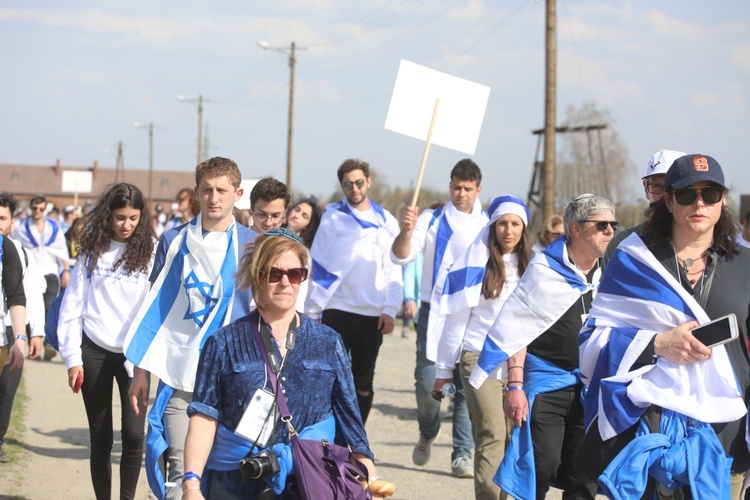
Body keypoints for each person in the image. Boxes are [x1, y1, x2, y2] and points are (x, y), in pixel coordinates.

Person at [577, 154, 750, 498]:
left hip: (723, 438)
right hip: (645, 434)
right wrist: (657, 344)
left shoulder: (745, 265)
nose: (699, 203)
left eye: (710, 194)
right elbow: (591, 341)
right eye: (687, 194)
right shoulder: (631, 259)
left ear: (723, 202)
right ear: (668, 200)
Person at [182, 230, 391, 498]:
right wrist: (191, 484)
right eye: (274, 273)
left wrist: (370, 475)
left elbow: (348, 414)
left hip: (309, 480)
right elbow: (204, 415)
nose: (285, 282)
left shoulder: (327, 342)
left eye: (294, 274)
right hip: (235, 481)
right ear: (257, 275)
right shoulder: (223, 343)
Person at [469, 194, 616, 500]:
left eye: (612, 224)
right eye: (601, 224)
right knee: (541, 465)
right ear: (575, 229)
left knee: (584, 475)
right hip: (547, 382)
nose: (610, 231)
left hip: (591, 387)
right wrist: (515, 386)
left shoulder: (612, 274)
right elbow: (516, 331)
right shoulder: (543, 270)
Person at [124, 157, 255, 500]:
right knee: (184, 474)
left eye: (222, 190)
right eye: (207, 190)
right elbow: (156, 310)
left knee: (231, 473)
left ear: (237, 193)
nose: (214, 197)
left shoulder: (254, 245)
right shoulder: (172, 241)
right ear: (196, 193)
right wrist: (141, 372)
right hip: (181, 376)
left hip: (233, 378)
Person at [57, 183, 155, 499]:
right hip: (94, 351)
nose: (126, 225)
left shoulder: (152, 251)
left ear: (142, 217)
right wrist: (72, 358)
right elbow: (72, 305)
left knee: (133, 435)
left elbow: (155, 306)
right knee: (100, 438)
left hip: (134, 356)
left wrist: (145, 357)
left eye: (133, 218)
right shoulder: (92, 250)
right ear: (108, 216)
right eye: (120, 217)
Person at [390, 159, 487, 477]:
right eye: (457, 187)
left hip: (472, 311)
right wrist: (405, 232)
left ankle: (462, 453)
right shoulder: (430, 220)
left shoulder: (489, 224)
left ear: (478, 190)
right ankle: (428, 431)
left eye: (468, 189)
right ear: (450, 186)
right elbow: (402, 255)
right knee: (429, 384)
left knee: (464, 385)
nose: (461, 194)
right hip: (435, 311)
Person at [433, 195, 531, 499]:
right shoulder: (477, 264)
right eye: (502, 223)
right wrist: (442, 369)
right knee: (491, 435)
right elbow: (456, 322)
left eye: (515, 224)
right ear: (493, 226)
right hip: (479, 358)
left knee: (511, 441)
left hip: (522, 364)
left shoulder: (536, 266)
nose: (508, 230)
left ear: (524, 229)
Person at [306, 158, 403, 424]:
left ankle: (356, 438)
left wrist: (390, 308)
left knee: (363, 381)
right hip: (336, 309)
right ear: (342, 186)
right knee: (330, 376)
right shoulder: (332, 216)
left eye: (359, 182)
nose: (355, 189)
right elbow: (318, 262)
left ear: (368, 182)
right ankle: (331, 435)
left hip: (371, 313)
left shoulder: (387, 222)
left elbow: (394, 269)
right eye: (348, 184)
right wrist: (313, 310)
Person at [0, 194, 42, 463]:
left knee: (5, 390)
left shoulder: (13, 251)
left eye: (2, 218)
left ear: (11, 222)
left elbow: (24, 295)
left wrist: (27, 334)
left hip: (5, 333)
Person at [601, 149, 686, 267]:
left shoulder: (714, 247)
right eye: (657, 186)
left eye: (672, 188)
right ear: (646, 188)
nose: (665, 196)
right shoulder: (623, 246)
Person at [12, 195, 71, 359]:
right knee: (30, 306)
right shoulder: (21, 227)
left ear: (45, 210)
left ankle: (47, 343)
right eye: (35, 208)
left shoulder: (53, 227)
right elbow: (15, 248)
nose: (37, 212)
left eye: (41, 209)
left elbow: (61, 250)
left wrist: (66, 270)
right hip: (30, 272)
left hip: (49, 270)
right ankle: (34, 341)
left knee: (49, 306)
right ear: (31, 208)